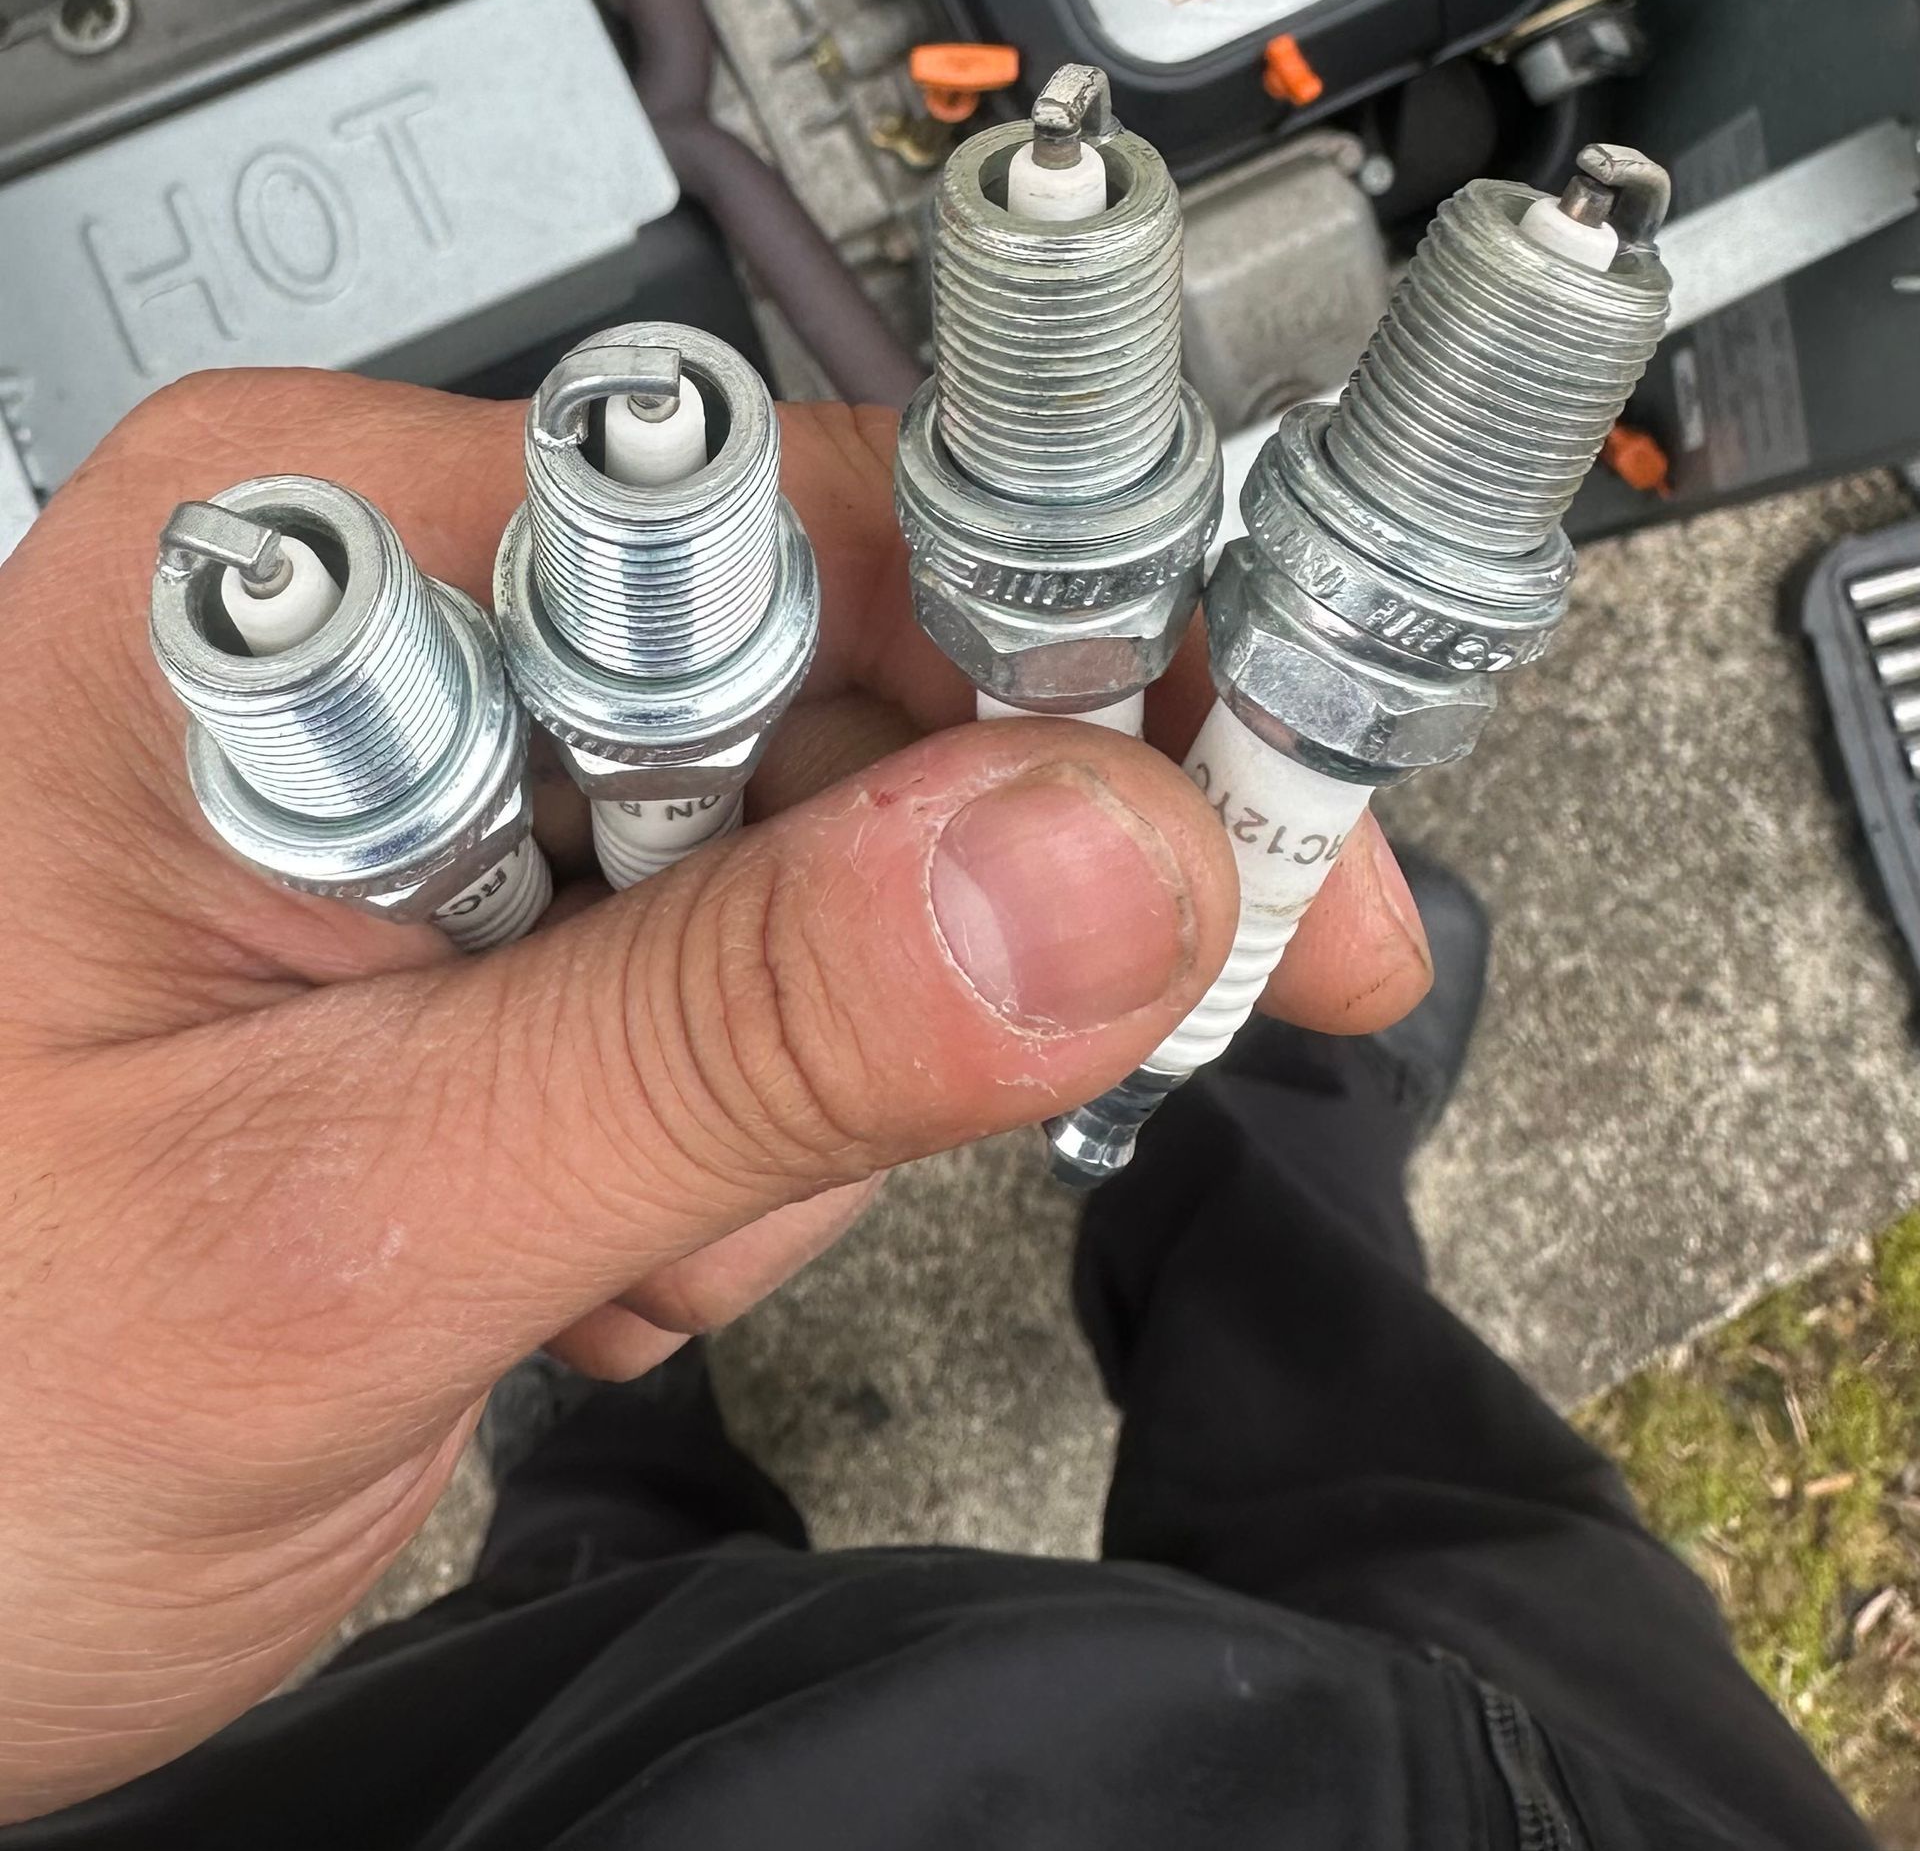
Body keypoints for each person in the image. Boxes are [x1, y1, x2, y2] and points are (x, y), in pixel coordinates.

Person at [0, 370, 1866, 1847]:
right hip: (1515, 1790)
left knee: (574, 1636)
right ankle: (1248, 1167)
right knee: (1435, 1512)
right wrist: (751, 1020)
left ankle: (618, 1459)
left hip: (495, 1799)